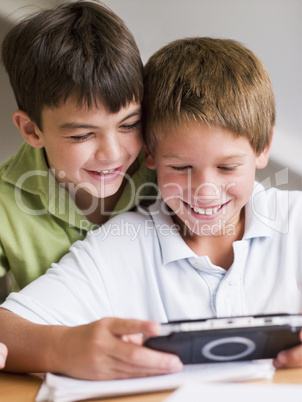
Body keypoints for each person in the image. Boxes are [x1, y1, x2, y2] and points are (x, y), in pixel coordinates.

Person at [0, 37, 301, 380]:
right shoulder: (119, 246)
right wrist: (64, 346)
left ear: (263, 148)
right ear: (150, 156)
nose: (205, 192)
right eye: (182, 168)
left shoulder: (295, 221)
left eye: (227, 168)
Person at [0, 0, 157, 295]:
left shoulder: (172, 172)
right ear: (32, 130)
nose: (112, 153)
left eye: (128, 125)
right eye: (82, 135)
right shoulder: (5, 203)